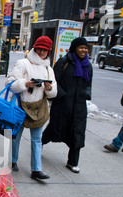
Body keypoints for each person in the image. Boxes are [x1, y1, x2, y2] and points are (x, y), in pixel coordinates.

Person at [7, 36, 57, 180]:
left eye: (45, 50)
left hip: (39, 108)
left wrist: (49, 88)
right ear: (35, 48)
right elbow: (10, 83)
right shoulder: (23, 63)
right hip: (21, 105)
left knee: (37, 139)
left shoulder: (49, 69)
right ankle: (13, 160)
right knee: (16, 136)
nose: (42, 52)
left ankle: (36, 170)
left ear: (49, 52)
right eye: (39, 49)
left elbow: (54, 92)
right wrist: (26, 84)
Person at [42, 37, 93, 174]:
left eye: (86, 48)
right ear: (74, 48)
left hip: (79, 106)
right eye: (81, 47)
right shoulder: (63, 62)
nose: (84, 50)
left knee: (78, 132)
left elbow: (88, 84)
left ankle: (73, 162)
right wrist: (62, 95)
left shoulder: (88, 65)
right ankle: (39, 143)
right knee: (55, 128)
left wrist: (86, 94)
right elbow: (54, 81)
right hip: (63, 104)